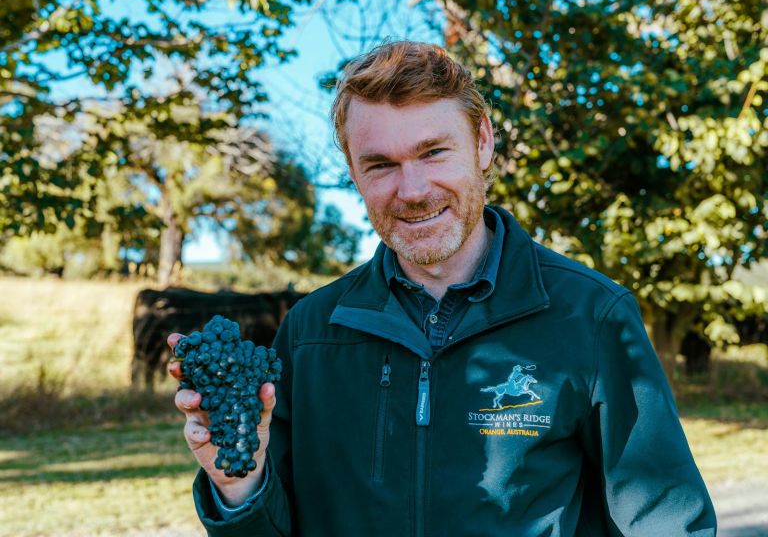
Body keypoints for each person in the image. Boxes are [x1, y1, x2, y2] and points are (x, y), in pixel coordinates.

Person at [168, 40, 716, 536]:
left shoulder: (591, 315)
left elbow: (666, 522)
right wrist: (239, 485)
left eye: (433, 152)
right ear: (354, 175)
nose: (412, 190)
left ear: (482, 143)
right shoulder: (311, 333)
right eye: (380, 164)